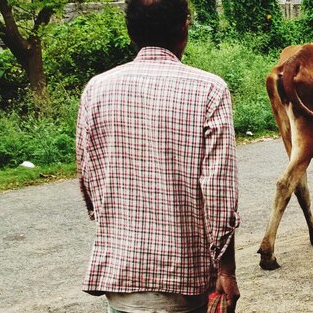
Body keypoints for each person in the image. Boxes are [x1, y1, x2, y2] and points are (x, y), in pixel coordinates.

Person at [75, 0, 240, 311]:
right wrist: (226, 270)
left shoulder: (96, 90)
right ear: (184, 28)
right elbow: (219, 195)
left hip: (122, 281)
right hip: (185, 283)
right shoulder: (209, 90)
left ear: (131, 32)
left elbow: (88, 180)